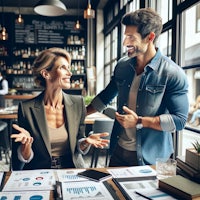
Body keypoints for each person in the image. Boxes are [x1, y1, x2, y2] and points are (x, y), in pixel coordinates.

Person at [87, 8, 189, 167]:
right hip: (118, 150)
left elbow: (180, 121)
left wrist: (139, 121)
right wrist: (79, 115)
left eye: (131, 37)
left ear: (150, 37)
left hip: (152, 157)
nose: (125, 43)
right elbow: (106, 96)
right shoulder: (122, 66)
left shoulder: (172, 73)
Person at [11, 47, 109, 170]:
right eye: (63, 68)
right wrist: (26, 145)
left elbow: (78, 144)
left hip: (71, 168)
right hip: (40, 172)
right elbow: (25, 157)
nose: (70, 73)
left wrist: (85, 142)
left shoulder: (77, 103)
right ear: (46, 73)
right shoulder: (26, 109)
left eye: (68, 67)